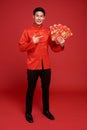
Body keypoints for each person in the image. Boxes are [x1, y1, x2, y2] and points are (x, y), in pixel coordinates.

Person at [18, 7, 65, 123]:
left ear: (44, 18)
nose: (39, 18)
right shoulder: (27, 31)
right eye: (37, 15)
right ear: (33, 16)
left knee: (46, 89)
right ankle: (28, 113)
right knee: (31, 89)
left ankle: (46, 110)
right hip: (32, 66)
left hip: (46, 66)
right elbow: (20, 47)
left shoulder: (48, 31)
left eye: (41, 16)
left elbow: (54, 47)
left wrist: (62, 44)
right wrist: (31, 43)